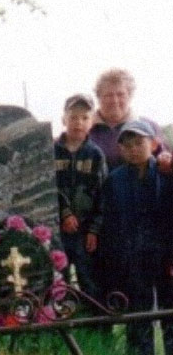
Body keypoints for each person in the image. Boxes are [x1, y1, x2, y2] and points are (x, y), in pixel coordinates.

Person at [100, 121, 173, 355]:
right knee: (138, 311)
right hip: (133, 255)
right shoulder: (114, 180)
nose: (133, 149)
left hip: (165, 254)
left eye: (139, 143)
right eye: (127, 145)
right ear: (120, 150)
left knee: (170, 308)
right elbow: (110, 223)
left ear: (153, 144)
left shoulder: (166, 173)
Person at [55, 94, 107, 304]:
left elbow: (102, 194)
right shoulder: (51, 151)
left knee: (89, 278)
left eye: (84, 117)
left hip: (85, 230)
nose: (79, 122)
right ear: (64, 119)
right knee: (58, 277)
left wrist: (94, 229)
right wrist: (65, 213)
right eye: (73, 117)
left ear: (92, 121)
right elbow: (48, 188)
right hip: (58, 228)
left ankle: (95, 317)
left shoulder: (95, 154)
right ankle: (61, 316)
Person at [89, 68, 170, 171]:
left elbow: (164, 159)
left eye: (120, 94)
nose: (114, 100)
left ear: (130, 96)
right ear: (98, 97)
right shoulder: (83, 128)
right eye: (108, 95)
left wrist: (165, 159)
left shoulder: (149, 127)